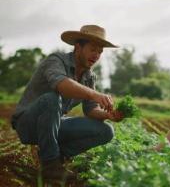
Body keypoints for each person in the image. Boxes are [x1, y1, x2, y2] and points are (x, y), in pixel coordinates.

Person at [10, 25, 123, 181]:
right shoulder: (55, 60)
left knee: (106, 131)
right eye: (93, 49)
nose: (96, 55)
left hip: (53, 126)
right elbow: (62, 86)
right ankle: (50, 165)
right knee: (52, 98)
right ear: (78, 47)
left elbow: (90, 110)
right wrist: (95, 94)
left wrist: (108, 115)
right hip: (28, 124)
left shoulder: (89, 77)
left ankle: (57, 155)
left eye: (100, 52)